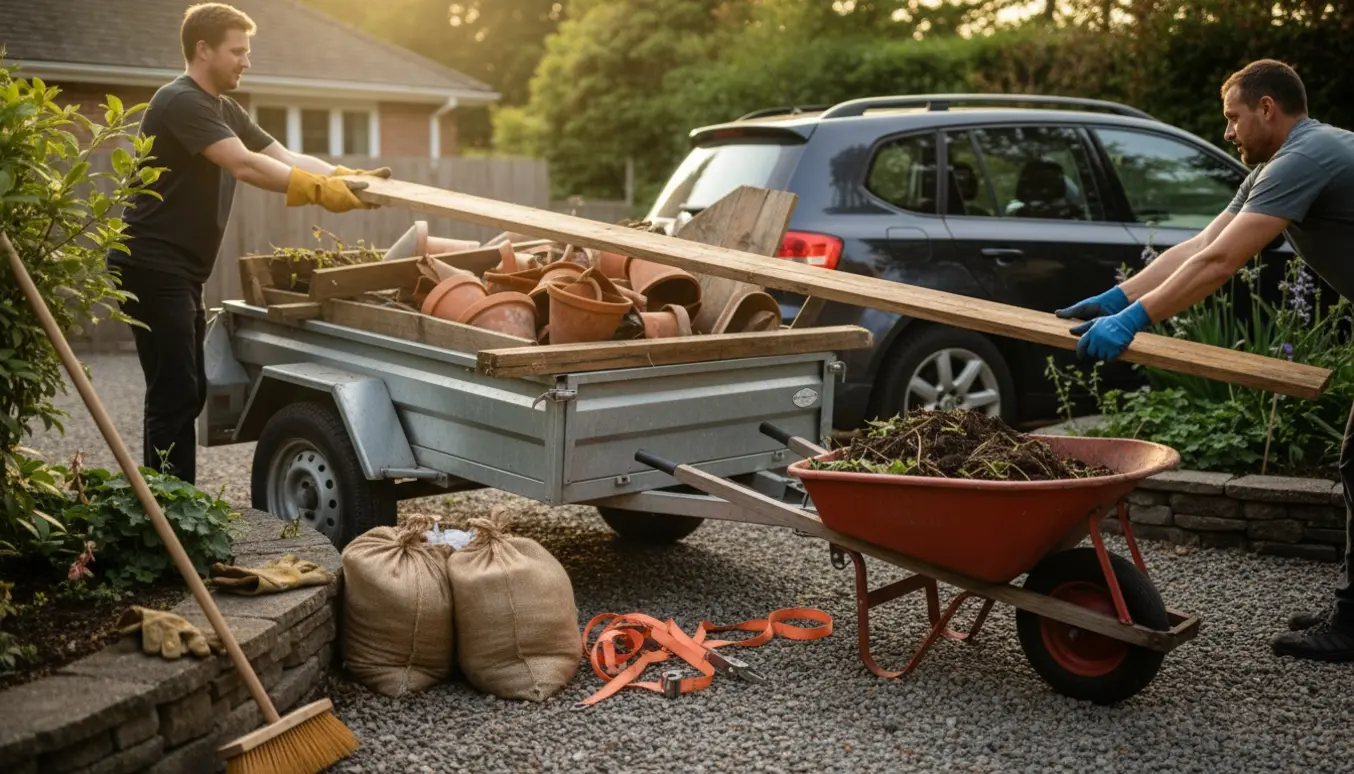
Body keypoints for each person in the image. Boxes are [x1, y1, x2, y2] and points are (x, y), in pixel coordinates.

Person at [1057, 58, 1354, 662]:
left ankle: (1353, 623)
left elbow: (1224, 265)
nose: (1228, 133)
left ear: (1267, 109)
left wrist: (1135, 321)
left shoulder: (1306, 156)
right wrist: (1120, 296)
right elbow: (1201, 245)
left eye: (1232, 118)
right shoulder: (1280, 161)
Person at [106, 3, 388, 486]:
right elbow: (246, 166)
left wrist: (347, 178)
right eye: (237, 51)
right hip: (151, 264)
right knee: (175, 392)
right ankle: (167, 515)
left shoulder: (223, 107)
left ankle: (169, 504)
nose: (246, 61)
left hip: (179, 270)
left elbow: (283, 155)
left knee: (187, 389)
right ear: (203, 50)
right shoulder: (180, 102)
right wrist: (322, 192)